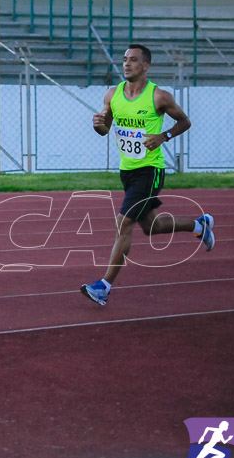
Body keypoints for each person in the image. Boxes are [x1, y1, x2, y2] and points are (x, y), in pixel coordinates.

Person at [81, 43, 215, 306]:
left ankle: (104, 286)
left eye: (133, 60)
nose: (126, 64)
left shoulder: (159, 96)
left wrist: (163, 136)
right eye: (124, 60)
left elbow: (185, 121)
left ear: (145, 66)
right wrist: (98, 124)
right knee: (152, 227)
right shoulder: (112, 95)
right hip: (127, 171)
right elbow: (105, 129)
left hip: (150, 170)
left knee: (123, 223)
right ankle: (200, 225)